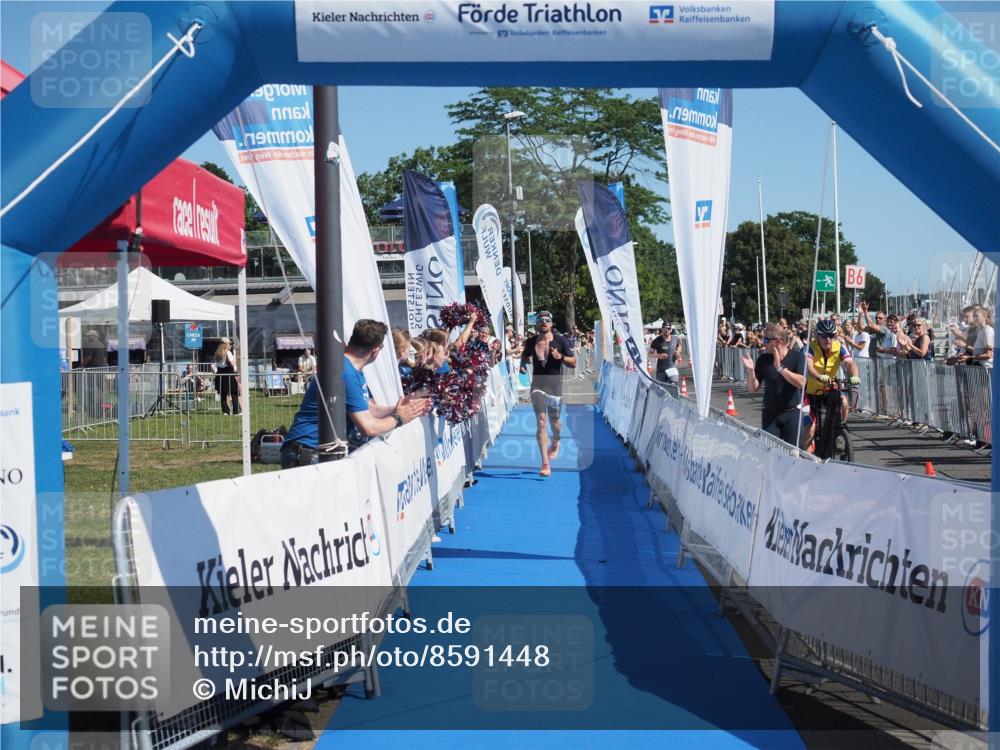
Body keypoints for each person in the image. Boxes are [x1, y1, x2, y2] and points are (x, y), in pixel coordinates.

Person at [281, 319, 432, 467]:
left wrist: (398, 408)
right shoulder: (346, 372)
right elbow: (368, 427)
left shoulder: (351, 369)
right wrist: (400, 417)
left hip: (312, 451)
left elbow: (369, 409)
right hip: (307, 453)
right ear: (375, 350)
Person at [519, 311, 576, 477]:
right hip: (537, 384)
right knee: (541, 422)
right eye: (541, 320)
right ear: (537, 324)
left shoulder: (561, 340)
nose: (544, 322)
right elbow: (524, 355)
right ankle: (544, 462)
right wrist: (523, 365)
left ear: (551, 323)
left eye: (547, 320)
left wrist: (562, 357)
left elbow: (573, 362)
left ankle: (556, 440)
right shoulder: (531, 342)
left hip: (555, 386)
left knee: (555, 423)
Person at [742, 323, 807, 446]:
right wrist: (751, 370)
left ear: (778, 341)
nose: (763, 342)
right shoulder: (764, 359)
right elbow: (753, 388)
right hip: (770, 414)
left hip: (792, 414)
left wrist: (780, 368)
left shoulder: (797, 357)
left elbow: (801, 383)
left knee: (794, 454)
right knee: (770, 453)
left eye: (766, 339)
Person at [805, 318, 860, 426]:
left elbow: (850, 363)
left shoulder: (839, 347)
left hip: (830, 387)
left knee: (844, 403)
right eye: (824, 336)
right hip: (813, 389)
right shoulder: (809, 348)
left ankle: (840, 428)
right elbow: (809, 367)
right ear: (817, 336)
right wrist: (819, 376)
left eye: (831, 336)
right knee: (810, 427)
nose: (828, 339)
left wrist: (855, 376)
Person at [212, 337, 240, 415]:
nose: (230, 346)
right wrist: (235, 362)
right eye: (230, 344)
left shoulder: (217, 353)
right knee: (234, 392)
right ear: (225, 344)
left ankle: (225, 411)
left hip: (220, 374)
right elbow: (232, 364)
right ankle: (236, 411)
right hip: (228, 374)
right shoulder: (228, 353)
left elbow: (216, 365)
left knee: (223, 394)